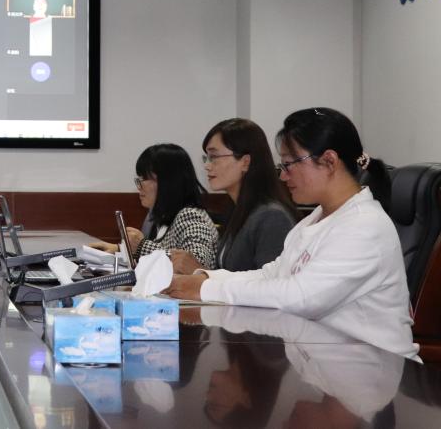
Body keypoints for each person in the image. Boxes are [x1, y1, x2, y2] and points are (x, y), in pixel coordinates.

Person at [167, 107, 418, 360]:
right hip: (329, 365)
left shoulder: (364, 226)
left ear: (329, 161)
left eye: (289, 164)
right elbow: (271, 274)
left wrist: (207, 289)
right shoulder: (315, 219)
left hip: (378, 370)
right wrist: (206, 278)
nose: (284, 175)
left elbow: (301, 298)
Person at [171, 118, 297, 274]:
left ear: (245, 162)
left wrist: (199, 270)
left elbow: (270, 284)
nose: (207, 166)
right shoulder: (237, 210)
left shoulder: (272, 217)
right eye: (206, 158)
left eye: (214, 157)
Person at [90, 144, 218, 267]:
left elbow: (196, 263)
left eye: (144, 179)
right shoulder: (163, 215)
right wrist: (120, 249)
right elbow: (162, 252)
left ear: (167, 181)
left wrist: (141, 246)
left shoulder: (191, 215)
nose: (139, 186)